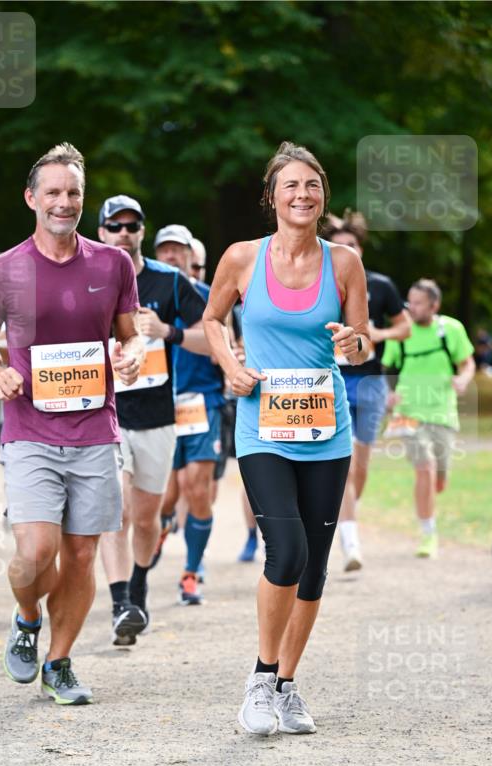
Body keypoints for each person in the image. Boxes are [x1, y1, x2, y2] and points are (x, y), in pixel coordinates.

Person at [203, 140, 371, 735]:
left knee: (317, 569)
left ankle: (288, 687)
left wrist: (354, 345)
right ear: (271, 196)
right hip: (263, 428)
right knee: (289, 553)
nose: (303, 195)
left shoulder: (344, 261)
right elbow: (211, 319)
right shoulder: (242, 258)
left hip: (328, 432)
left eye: (313, 186)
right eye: (291, 186)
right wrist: (229, 363)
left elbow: (362, 340)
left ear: (324, 196)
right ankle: (259, 678)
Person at [0, 143, 143, 706]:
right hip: (30, 430)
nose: (64, 202)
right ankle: (26, 618)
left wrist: (133, 352)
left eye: (73, 193)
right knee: (35, 553)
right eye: (53, 192)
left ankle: (60, 662)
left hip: (95, 429)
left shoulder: (113, 264)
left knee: (83, 555)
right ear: (31, 198)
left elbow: (129, 333)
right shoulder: (3, 269)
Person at [96, 197, 210, 643]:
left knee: (147, 519)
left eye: (132, 225)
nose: (123, 232)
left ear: (143, 230)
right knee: (118, 510)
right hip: (107, 415)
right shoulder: (89, 278)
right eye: (114, 225)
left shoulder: (169, 280)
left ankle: (139, 583)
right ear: (102, 232)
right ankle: (121, 601)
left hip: (159, 417)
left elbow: (212, 336)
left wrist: (169, 332)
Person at [325, 212, 410, 571]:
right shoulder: (318, 284)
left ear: (361, 249)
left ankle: (343, 518)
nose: (346, 251)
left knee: (361, 462)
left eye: (352, 245)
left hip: (371, 380)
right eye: (339, 246)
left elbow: (404, 328)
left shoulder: (381, 285)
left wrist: (376, 335)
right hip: (333, 380)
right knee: (343, 462)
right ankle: (350, 538)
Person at [154, 225, 225, 605]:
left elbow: (231, 345)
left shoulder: (210, 299)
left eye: (177, 250)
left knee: (198, 487)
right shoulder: (144, 297)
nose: (171, 256)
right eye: (164, 250)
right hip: (160, 406)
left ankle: (192, 571)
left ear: (189, 256)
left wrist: (231, 355)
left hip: (204, 400)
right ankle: (163, 524)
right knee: (165, 496)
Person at [382, 279, 475, 558]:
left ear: (435, 305)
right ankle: (428, 535)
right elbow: (389, 368)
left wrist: (464, 379)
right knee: (425, 467)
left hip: (442, 412)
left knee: (439, 477)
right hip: (408, 413)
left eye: (419, 302)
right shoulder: (402, 331)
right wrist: (390, 394)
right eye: (409, 300)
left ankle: (431, 504)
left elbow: (467, 363)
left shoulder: (451, 330)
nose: (412, 307)